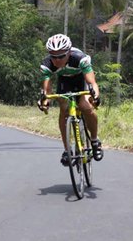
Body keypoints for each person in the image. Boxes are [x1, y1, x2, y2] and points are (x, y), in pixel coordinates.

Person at [37, 34, 103, 166]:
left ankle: (95, 141)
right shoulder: (47, 64)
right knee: (64, 109)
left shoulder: (80, 58)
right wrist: (45, 101)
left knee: (85, 107)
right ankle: (67, 150)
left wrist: (95, 96)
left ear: (68, 52)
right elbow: (47, 89)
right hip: (64, 81)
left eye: (61, 56)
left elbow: (92, 82)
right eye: (53, 56)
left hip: (80, 80)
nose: (57, 60)